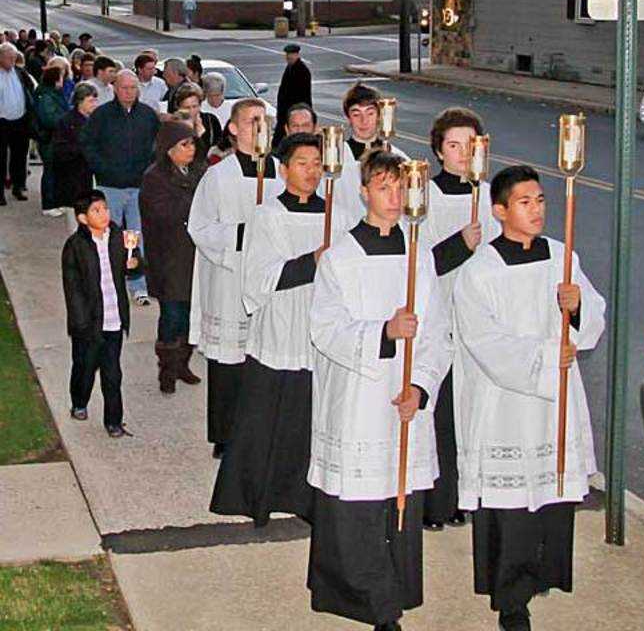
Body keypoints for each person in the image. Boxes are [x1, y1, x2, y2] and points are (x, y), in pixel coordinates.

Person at [452, 165, 606, 631]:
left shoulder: (562, 256)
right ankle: (512, 601)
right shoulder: (479, 272)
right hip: (507, 406)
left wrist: (577, 307)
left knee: (551, 495)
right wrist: (544, 355)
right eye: (524, 202)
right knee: (513, 506)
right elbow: (484, 342)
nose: (536, 209)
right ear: (499, 211)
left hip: (555, 400)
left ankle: (544, 575)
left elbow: (594, 315)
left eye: (540, 200)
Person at [307, 148, 451, 631]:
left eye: (401, 188)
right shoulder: (341, 258)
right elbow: (325, 330)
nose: (394, 196)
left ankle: (396, 591)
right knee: (360, 508)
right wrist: (384, 333)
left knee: (399, 504)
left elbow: (437, 334)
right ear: (364, 191)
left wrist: (421, 388)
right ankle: (374, 604)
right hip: (358, 402)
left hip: (405, 402)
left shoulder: (419, 256)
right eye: (384, 187)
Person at [211, 132, 345, 527]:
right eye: (302, 163)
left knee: (312, 419)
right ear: (284, 170)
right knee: (267, 418)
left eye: (317, 163)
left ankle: (308, 498)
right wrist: (312, 261)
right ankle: (259, 497)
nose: (311, 171)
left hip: (321, 328)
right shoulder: (266, 215)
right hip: (280, 326)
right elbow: (257, 277)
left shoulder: (335, 215)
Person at [419, 107, 501, 531]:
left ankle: (475, 496)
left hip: (482, 322)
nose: (462, 153)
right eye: (454, 145)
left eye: (471, 145)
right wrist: (458, 246)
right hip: (442, 317)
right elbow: (412, 266)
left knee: (479, 412)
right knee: (444, 412)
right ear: (439, 150)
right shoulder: (425, 197)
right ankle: (439, 500)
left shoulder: (490, 199)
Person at [188, 98, 284, 459]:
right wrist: (244, 235)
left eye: (265, 121)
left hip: (272, 280)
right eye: (252, 120)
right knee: (230, 364)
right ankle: (226, 435)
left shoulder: (281, 170)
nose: (260, 127)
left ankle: (260, 431)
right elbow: (200, 227)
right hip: (230, 281)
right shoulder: (219, 175)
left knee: (266, 361)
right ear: (233, 128)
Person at [61, 190, 138, 438]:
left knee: (112, 374)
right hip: (89, 324)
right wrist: (82, 325)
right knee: (84, 368)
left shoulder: (118, 236)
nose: (104, 214)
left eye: (105, 209)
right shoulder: (75, 247)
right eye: (96, 211)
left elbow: (134, 265)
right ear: (83, 218)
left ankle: (114, 421)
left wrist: (134, 263)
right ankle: (79, 401)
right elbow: (72, 291)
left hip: (114, 320)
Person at [80, 69, 160, 306]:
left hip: (138, 187)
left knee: (136, 237)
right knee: (107, 235)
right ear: (115, 88)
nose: (128, 92)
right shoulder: (102, 115)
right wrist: (102, 169)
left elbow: (158, 147)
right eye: (124, 87)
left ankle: (138, 284)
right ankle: (109, 283)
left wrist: (147, 171)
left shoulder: (147, 116)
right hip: (110, 187)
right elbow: (87, 144)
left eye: (133, 88)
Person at [139, 121, 206, 394]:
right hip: (168, 257)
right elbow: (162, 214)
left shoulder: (199, 172)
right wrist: (194, 203)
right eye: (184, 144)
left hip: (195, 256)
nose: (191, 149)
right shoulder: (155, 177)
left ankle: (182, 363)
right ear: (169, 149)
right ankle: (167, 368)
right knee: (172, 315)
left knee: (191, 315)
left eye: (192, 143)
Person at [335, 83, 408, 229]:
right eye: (356, 114)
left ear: (379, 116)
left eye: (370, 113)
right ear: (348, 117)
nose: (364, 121)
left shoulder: (399, 158)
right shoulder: (336, 158)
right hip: (343, 233)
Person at [53, 83, 99, 231]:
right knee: (75, 221)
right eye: (91, 101)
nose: (95, 104)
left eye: (95, 100)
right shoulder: (66, 122)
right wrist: (83, 149)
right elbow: (60, 150)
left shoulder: (96, 121)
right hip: (73, 177)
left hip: (91, 176)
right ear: (80, 101)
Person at [34, 65, 71, 216]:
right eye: (61, 77)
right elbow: (48, 119)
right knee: (50, 171)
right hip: (49, 138)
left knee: (56, 170)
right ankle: (48, 204)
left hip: (55, 138)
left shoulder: (53, 93)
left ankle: (56, 200)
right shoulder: (46, 96)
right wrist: (66, 121)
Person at [0, 41, 34, 204]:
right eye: (8, 58)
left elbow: (30, 91)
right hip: (2, 121)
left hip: (20, 120)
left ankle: (18, 186)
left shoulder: (20, 73)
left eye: (13, 58)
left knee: (19, 155)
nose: (11, 61)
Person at [272, 43, 312, 148]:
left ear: (297, 55)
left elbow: (303, 95)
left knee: (290, 140)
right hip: (285, 113)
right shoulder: (289, 68)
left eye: (291, 55)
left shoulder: (302, 71)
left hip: (294, 112)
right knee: (280, 140)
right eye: (287, 55)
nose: (289, 57)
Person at [174, 82, 222, 160]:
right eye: (187, 107)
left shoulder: (211, 120)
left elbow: (219, 148)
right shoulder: (173, 126)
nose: (191, 111)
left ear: (200, 105)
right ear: (179, 107)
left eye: (194, 106)